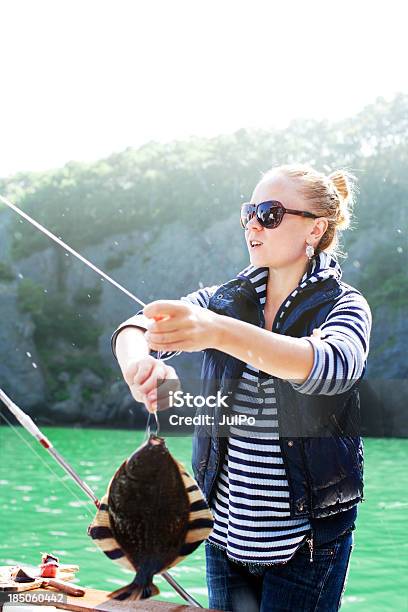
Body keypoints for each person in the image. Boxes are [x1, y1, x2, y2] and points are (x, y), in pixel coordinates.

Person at [111, 163, 372, 611]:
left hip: (309, 545)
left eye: (269, 213)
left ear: (316, 229)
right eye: (249, 211)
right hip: (224, 535)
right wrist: (139, 365)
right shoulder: (222, 300)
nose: (253, 223)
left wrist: (218, 332)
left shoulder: (345, 305)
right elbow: (135, 327)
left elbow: (333, 366)